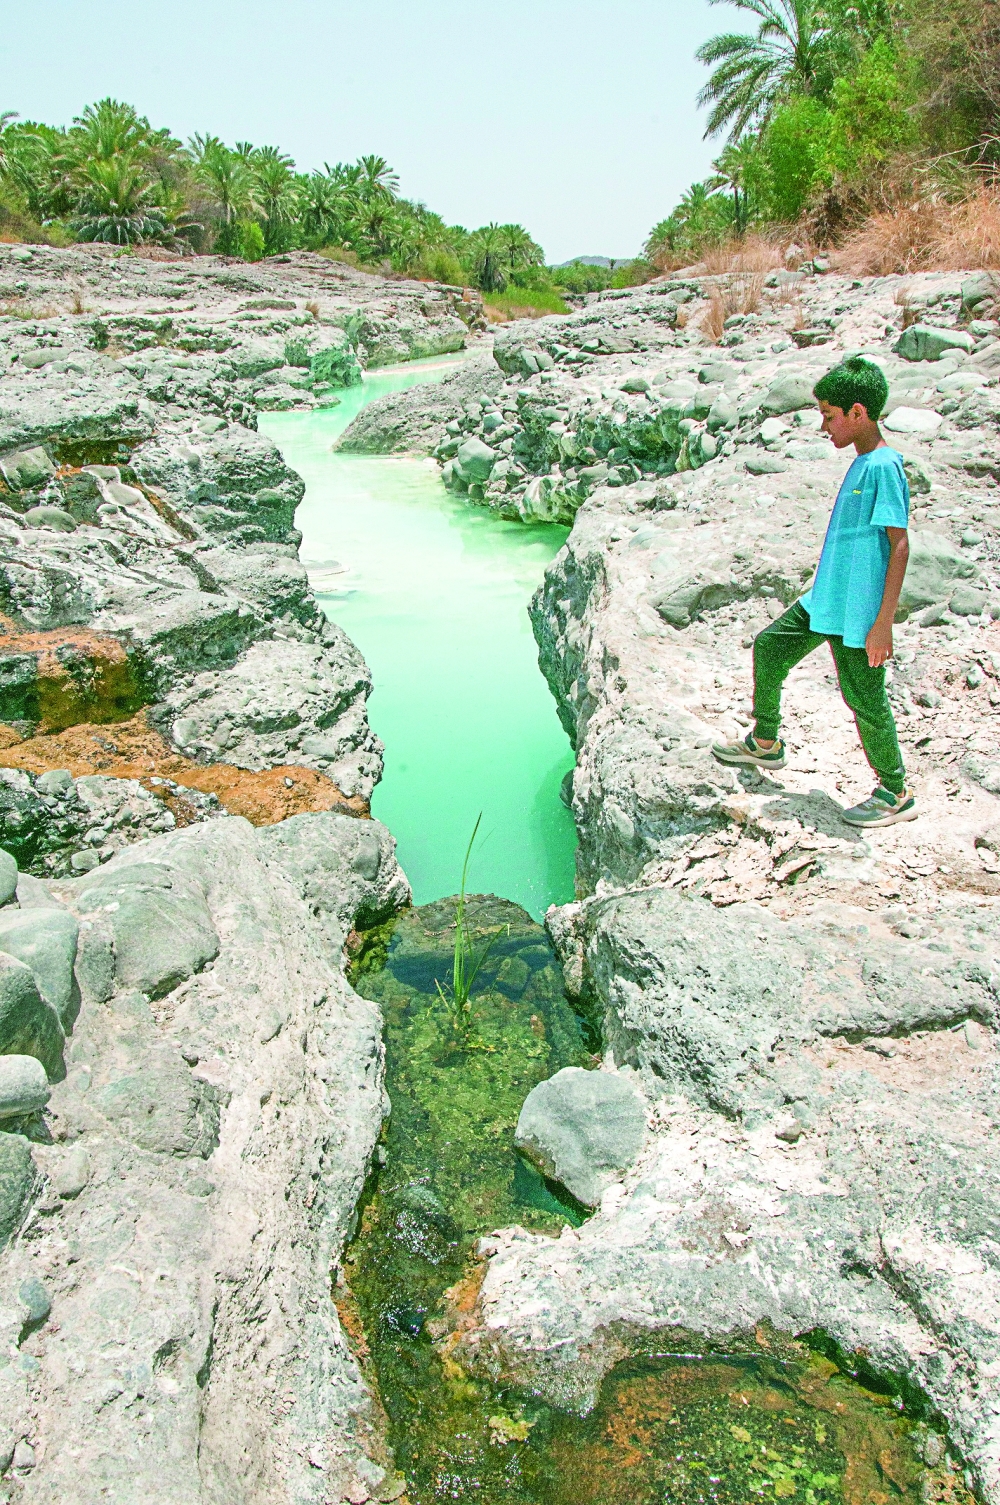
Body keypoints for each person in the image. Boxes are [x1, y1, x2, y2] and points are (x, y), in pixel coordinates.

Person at [712, 355, 917, 827]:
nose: (823, 426)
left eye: (829, 415)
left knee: (864, 699)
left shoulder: (884, 465)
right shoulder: (863, 461)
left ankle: (895, 791)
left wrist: (882, 624)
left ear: (858, 413)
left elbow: (899, 544)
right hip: (825, 601)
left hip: (858, 615)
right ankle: (766, 742)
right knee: (769, 647)